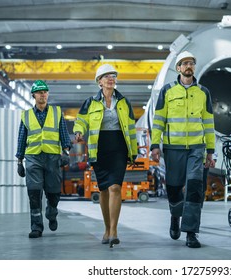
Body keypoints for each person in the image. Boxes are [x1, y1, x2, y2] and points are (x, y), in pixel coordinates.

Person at [151, 51, 215, 248]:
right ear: (178, 68)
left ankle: (191, 233)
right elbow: (159, 119)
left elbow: (209, 122)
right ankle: (174, 216)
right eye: (185, 63)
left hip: (196, 148)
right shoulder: (167, 91)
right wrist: (155, 145)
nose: (189, 66)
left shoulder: (203, 92)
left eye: (192, 63)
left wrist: (210, 150)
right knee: (174, 188)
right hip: (173, 149)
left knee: (195, 189)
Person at [73, 64, 137, 247]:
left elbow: (131, 129)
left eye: (113, 76)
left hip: (118, 147)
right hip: (99, 148)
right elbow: (81, 121)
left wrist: (133, 152)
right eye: (107, 76)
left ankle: (114, 231)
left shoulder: (124, 102)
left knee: (115, 187)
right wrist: (78, 131)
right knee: (103, 190)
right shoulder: (90, 103)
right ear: (99, 82)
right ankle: (107, 228)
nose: (111, 79)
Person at [15, 80, 72, 239]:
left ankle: (52, 212)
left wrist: (66, 152)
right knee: (34, 193)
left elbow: (63, 133)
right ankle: (36, 227)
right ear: (34, 95)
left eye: (45, 92)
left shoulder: (56, 112)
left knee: (53, 193)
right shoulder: (26, 115)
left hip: (53, 157)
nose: (43, 95)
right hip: (33, 158)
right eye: (40, 92)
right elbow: (21, 139)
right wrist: (19, 161)